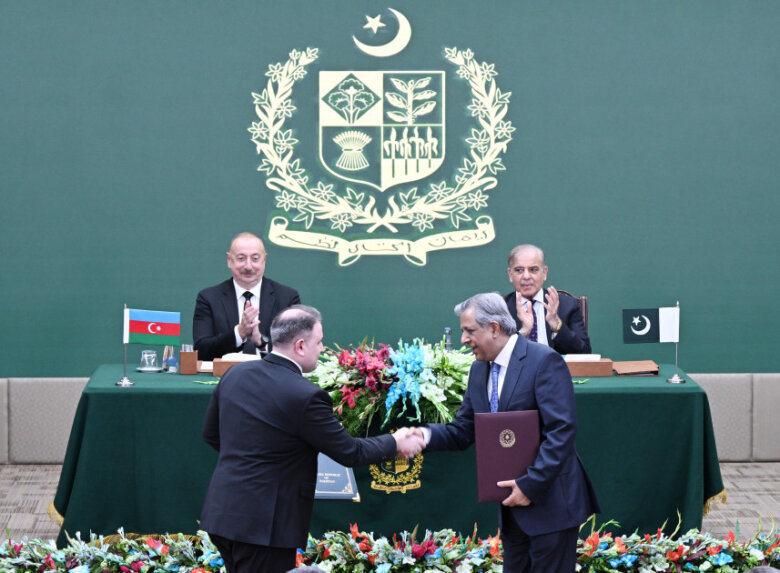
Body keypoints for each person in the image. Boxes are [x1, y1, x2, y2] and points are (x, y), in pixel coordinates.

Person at [200, 305, 424, 573]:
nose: (322, 348)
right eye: (319, 342)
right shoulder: (306, 395)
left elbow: (211, 435)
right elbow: (350, 451)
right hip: (264, 528)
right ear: (300, 346)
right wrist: (395, 442)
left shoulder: (234, 375)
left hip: (223, 515)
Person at [414, 293, 599, 572]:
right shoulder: (479, 370)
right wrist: (422, 436)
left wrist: (529, 485)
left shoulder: (544, 361)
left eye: (469, 331)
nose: (463, 339)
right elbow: (463, 430)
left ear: (494, 328)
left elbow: (561, 431)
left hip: (551, 506)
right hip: (513, 510)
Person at [193, 232, 300, 360]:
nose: (248, 266)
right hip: (224, 372)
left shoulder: (287, 298)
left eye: (255, 259)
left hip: (271, 372)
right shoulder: (209, 298)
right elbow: (201, 350)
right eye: (241, 258)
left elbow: (295, 348)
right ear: (229, 260)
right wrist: (239, 333)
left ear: (264, 260)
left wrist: (261, 343)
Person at [505, 244, 591, 355]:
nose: (526, 276)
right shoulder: (501, 308)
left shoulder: (567, 305)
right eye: (519, 270)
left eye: (533, 270)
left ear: (544, 273)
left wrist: (557, 325)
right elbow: (493, 356)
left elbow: (584, 353)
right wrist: (523, 332)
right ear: (510, 275)